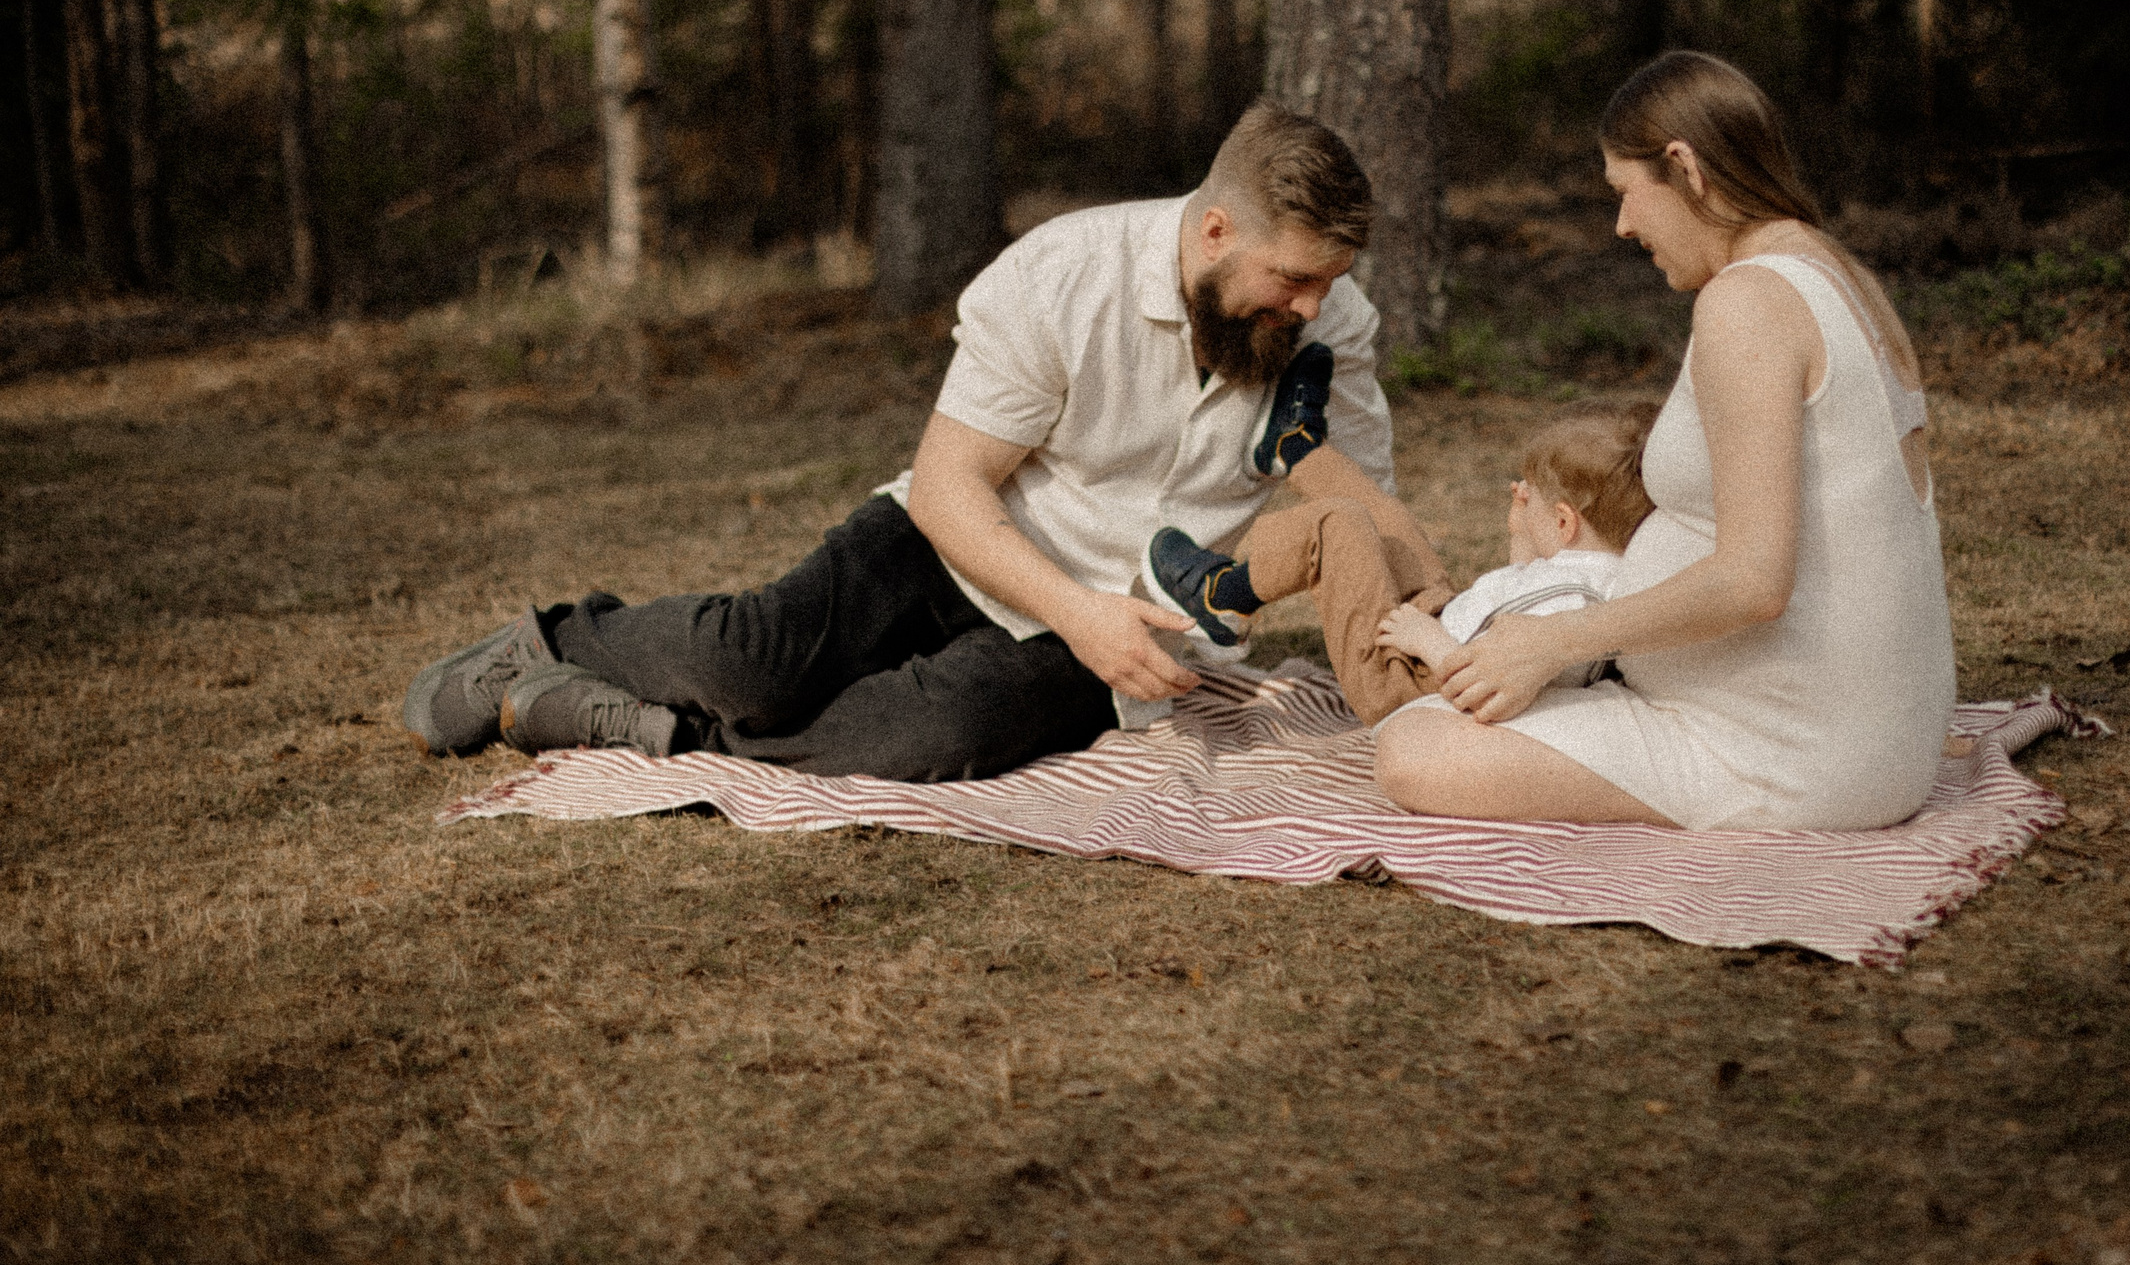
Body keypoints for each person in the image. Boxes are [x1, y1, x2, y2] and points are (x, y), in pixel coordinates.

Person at [399, 102, 1398, 782]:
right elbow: (947, 485)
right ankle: (558, 641)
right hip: (950, 545)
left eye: (1329, 282)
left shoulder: (1331, 323)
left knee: (933, 736)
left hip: (1118, 638)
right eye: (1294, 280)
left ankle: (652, 735)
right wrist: (1070, 606)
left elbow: (1362, 513)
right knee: (755, 664)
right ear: (1215, 232)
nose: (1314, 307)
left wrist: (1445, 626)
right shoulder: (1061, 275)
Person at [1373, 51, 1957, 830]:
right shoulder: (1836, 273)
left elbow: (1755, 581)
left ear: (1683, 167)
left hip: (1793, 751)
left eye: (1625, 193)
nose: (1621, 225)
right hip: (1880, 735)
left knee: (1412, 746)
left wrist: (1553, 640)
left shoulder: (1747, 300)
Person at [1142, 403, 1656, 726]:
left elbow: (1491, 683)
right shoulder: (1594, 576)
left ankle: (1223, 601)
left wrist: (1425, 641)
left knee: (1338, 526)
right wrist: (1525, 533)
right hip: (1434, 629)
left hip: (1406, 681)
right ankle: (1293, 446)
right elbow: (1521, 594)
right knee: (1388, 523)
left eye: (1536, 501)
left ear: (1565, 524)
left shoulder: (1575, 603)